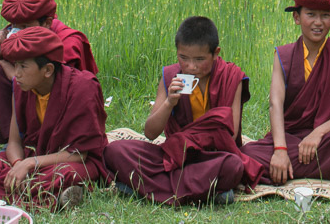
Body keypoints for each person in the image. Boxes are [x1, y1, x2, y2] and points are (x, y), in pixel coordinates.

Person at [105, 16, 249, 205]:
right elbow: (150, 133)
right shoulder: (171, 76)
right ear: (177, 53)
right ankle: (208, 193)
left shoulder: (231, 76)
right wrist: (169, 103)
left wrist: (190, 141)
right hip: (174, 157)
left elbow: (231, 136)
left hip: (212, 157)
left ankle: (145, 189)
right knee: (115, 151)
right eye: (183, 58)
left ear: (216, 53)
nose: (191, 66)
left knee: (233, 166)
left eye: (200, 59)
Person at [0, 26, 109, 210]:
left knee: (66, 174)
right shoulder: (21, 86)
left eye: (23, 66)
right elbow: (14, 142)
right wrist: (18, 166)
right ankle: (46, 194)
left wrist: (29, 164)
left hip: (71, 161)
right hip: (34, 157)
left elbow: (78, 154)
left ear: (48, 70)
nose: (16, 73)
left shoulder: (83, 87)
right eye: (15, 65)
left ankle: (18, 194)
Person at [242, 0, 330, 185]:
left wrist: (317, 134)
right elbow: (275, 104)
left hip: (327, 136)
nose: (318, 22)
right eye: (310, 14)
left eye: (325, 15)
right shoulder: (283, 56)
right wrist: (280, 150)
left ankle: (290, 170)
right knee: (248, 152)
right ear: (297, 18)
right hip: (292, 138)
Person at [0, 0, 99, 146]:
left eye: (25, 27)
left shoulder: (68, 40)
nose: (18, 33)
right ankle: (14, 143)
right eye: (14, 26)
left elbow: (60, 88)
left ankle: (48, 146)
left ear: (47, 23)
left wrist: (14, 77)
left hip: (61, 126)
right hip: (24, 119)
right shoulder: (11, 35)